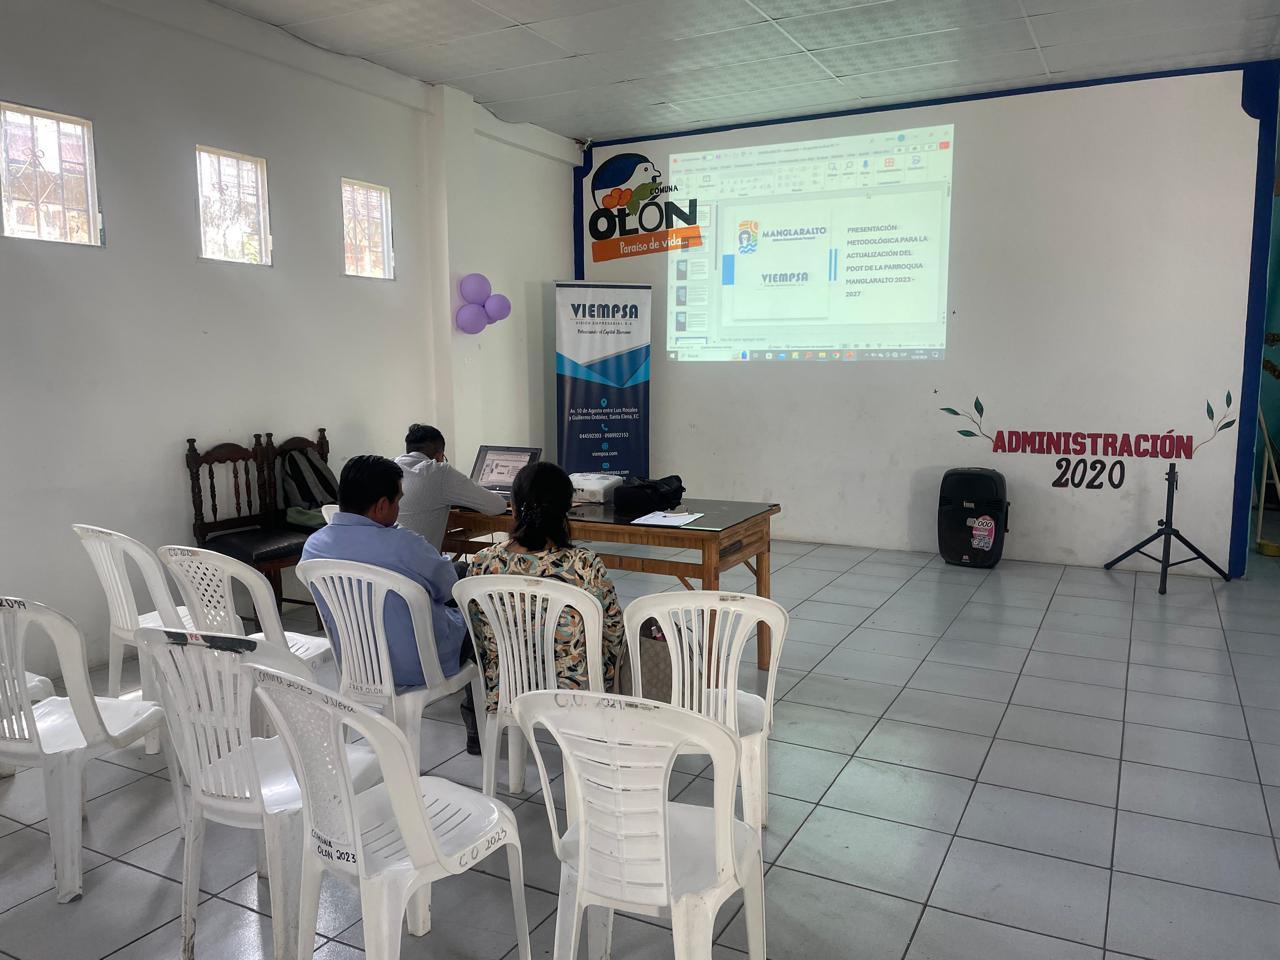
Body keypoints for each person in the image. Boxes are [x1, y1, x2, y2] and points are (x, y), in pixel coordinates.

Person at [302, 455, 481, 753]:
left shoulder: (314, 547)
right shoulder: (405, 545)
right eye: (398, 500)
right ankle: (477, 724)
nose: (399, 508)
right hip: (421, 666)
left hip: (357, 664)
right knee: (478, 612)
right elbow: (449, 588)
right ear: (382, 506)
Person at [466, 461, 626, 713]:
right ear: (567, 509)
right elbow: (614, 633)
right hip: (574, 693)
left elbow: (479, 637)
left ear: (513, 507)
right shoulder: (584, 565)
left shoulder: (483, 563)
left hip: (507, 689)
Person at [395, 424, 507, 551]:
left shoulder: (390, 466)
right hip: (421, 562)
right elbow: (497, 506)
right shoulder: (439, 471)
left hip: (384, 562)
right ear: (439, 456)